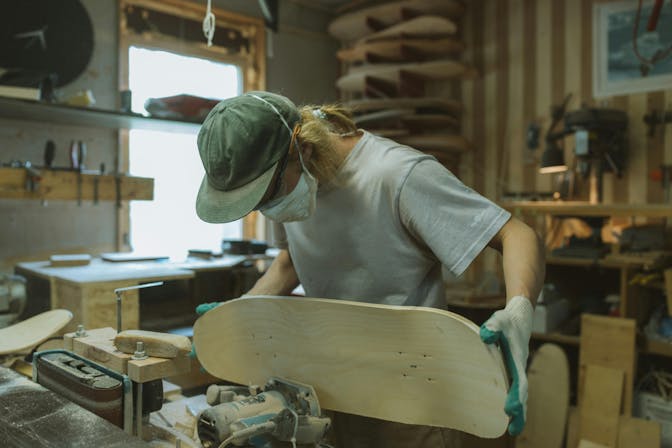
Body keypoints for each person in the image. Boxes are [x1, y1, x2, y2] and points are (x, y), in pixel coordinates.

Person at [195, 91, 545, 447]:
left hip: (413, 402)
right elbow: (292, 259)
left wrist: (519, 311)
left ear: (303, 149)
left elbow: (516, 234)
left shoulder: (396, 176)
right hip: (334, 392)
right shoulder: (293, 186)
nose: (265, 209)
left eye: (267, 194)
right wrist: (242, 312)